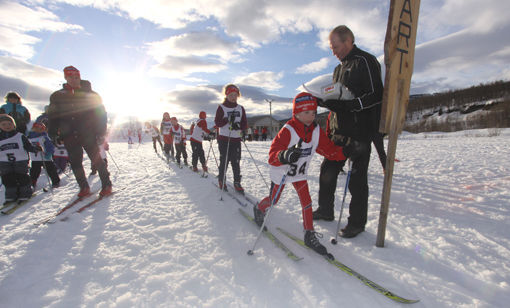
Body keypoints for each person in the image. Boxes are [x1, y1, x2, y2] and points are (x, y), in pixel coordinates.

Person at [253, 92, 362, 255]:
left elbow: (329, 150)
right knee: (274, 199)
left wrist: (346, 151)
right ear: (296, 113)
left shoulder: (315, 131)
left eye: (313, 112)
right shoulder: (288, 130)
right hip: (282, 170)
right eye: (306, 113)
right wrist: (284, 155)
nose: (311, 116)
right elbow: (272, 156)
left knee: (307, 202)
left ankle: (309, 234)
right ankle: (259, 208)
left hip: (299, 173)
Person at [313, 25, 383, 239]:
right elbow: (339, 96)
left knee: (356, 180)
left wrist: (351, 105)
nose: (333, 51)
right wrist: (326, 102)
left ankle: (357, 223)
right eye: (331, 47)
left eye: (335, 46)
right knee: (327, 172)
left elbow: (376, 95)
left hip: (359, 132)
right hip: (338, 131)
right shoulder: (337, 69)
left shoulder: (365, 61)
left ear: (348, 41)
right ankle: (325, 210)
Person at [47, 65, 112, 197]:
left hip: (88, 133)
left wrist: (101, 132)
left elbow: (101, 115)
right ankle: (83, 187)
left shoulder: (91, 94)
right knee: (75, 162)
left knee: (97, 160)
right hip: (69, 134)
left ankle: (106, 184)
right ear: (66, 77)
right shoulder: (57, 95)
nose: (74, 79)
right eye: (71, 77)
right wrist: (53, 133)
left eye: (77, 77)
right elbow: (53, 116)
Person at [214, 84, 247, 193]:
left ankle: (237, 182)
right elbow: (217, 123)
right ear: (226, 95)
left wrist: (241, 128)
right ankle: (221, 180)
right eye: (231, 95)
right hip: (224, 138)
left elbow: (244, 123)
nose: (233, 97)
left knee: (236, 161)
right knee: (224, 160)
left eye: (235, 95)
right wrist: (227, 119)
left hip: (236, 139)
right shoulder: (221, 107)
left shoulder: (240, 108)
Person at [0, 115, 41, 202]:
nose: (7, 126)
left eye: (9, 124)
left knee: (22, 177)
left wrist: (35, 149)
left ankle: (25, 193)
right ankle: (11, 196)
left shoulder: (20, 136)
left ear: (13, 125)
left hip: (20, 160)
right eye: (3, 124)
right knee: (8, 178)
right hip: (4, 162)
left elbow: (28, 146)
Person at [27, 122, 60, 188]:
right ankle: (32, 182)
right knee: (34, 171)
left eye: (42, 128)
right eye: (37, 128)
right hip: (35, 158)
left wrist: (49, 153)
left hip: (45, 157)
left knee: (51, 170)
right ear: (33, 128)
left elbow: (50, 146)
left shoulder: (44, 137)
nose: (40, 130)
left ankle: (56, 181)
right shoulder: (29, 138)